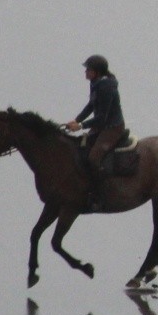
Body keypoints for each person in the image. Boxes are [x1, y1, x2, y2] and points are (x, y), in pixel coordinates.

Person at [65, 54, 127, 212]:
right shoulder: (95, 83)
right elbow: (91, 106)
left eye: (88, 70)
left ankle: (100, 194)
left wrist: (80, 126)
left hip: (112, 128)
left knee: (94, 158)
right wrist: (76, 120)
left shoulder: (105, 87)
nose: (85, 72)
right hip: (101, 127)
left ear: (97, 72)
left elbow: (101, 118)